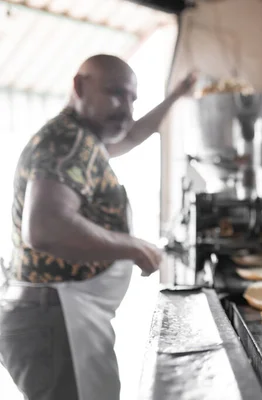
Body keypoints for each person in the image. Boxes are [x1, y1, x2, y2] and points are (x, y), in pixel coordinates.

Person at [0, 54, 197, 400]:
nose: (128, 109)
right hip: (54, 318)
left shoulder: (87, 141)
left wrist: (177, 94)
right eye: (117, 94)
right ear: (79, 87)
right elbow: (46, 227)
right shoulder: (67, 142)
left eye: (133, 99)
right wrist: (133, 246)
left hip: (59, 313)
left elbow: (134, 134)